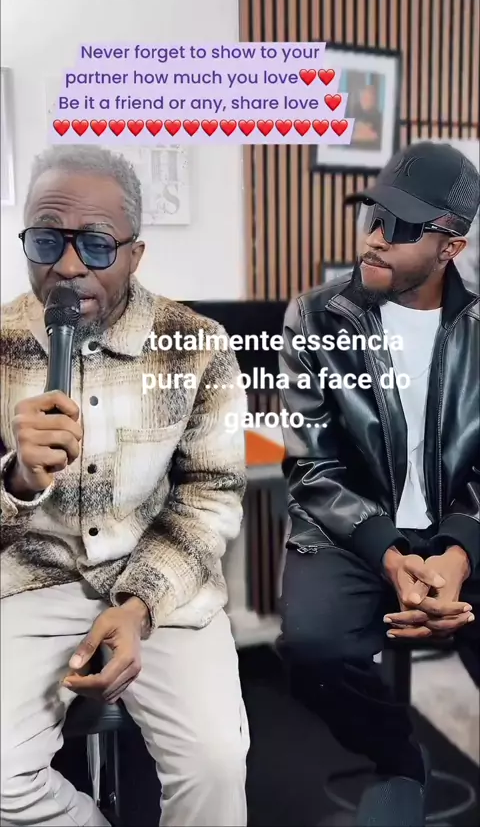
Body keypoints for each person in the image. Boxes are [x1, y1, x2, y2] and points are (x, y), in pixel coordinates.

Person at [0, 145, 250, 827]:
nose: (67, 266)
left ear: (135, 254)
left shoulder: (198, 345)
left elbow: (210, 494)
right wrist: (19, 478)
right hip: (33, 579)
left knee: (216, 766)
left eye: (96, 244)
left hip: (159, 580)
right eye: (46, 240)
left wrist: (139, 607)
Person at [277, 141, 480, 826]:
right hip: (352, 525)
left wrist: (457, 553)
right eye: (373, 216)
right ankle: (398, 756)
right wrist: (391, 556)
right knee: (312, 648)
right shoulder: (315, 317)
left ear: (450, 247)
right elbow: (312, 466)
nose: (374, 237)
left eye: (400, 226)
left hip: (462, 523)